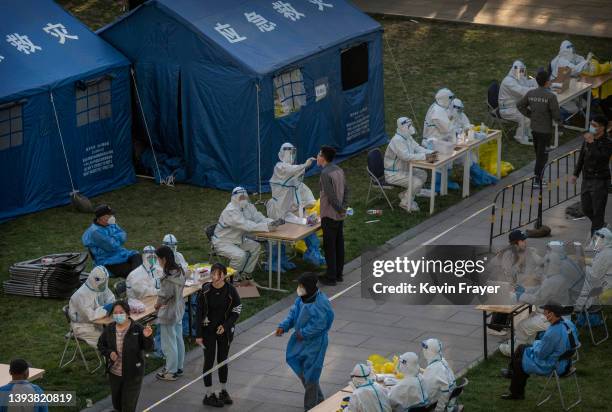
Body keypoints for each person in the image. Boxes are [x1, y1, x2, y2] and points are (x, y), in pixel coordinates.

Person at [500, 240, 585, 356]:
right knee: (530, 320)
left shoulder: (554, 280)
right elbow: (541, 290)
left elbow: (538, 299)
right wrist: (525, 290)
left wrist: (520, 295)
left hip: (555, 318)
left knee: (522, 326)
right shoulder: (558, 275)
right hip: (558, 314)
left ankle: (515, 352)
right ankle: (524, 346)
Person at [276, 272, 334, 411]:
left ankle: (310, 407)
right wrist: (283, 326)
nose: (299, 288)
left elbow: (320, 324)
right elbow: (293, 314)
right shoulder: (302, 298)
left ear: (308, 286)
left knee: (311, 376)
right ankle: (319, 400)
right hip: (301, 340)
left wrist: (304, 333)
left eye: (301, 285)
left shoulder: (321, 303)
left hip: (315, 343)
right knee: (303, 371)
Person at [500, 304, 579, 401]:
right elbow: (575, 342)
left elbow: (540, 355)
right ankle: (512, 373)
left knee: (519, 361)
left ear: (552, 313)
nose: (544, 314)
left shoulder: (552, 332)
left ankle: (516, 392)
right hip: (567, 362)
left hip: (554, 365)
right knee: (521, 349)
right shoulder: (569, 323)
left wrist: (536, 343)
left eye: (545, 312)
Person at [266, 143, 325, 269]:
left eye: (293, 153)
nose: (291, 156)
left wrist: (308, 214)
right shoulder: (279, 168)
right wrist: (305, 165)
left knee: (307, 227)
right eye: (289, 153)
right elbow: (288, 170)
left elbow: (307, 199)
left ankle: (311, 254)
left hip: (287, 212)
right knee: (277, 237)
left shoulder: (295, 182)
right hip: (277, 210)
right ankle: (274, 263)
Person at [195, 263, 242, 407]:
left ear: (224, 275)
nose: (215, 276)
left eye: (218, 274)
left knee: (223, 360)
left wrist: (226, 325)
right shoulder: (205, 291)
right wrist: (198, 335)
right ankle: (208, 394)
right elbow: (199, 314)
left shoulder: (230, 290)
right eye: (213, 273)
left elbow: (237, 309)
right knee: (208, 361)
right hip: (208, 332)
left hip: (224, 332)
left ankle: (223, 390)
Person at [97, 301, 154, 412]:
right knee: (117, 405)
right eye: (115, 313)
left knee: (128, 406)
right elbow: (101, 345)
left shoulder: (138, 328)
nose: (118, 315)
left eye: (121, 312)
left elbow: (149, 348)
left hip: (133, 374)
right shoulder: (109, 329)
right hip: (115, 374)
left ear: (128, 314)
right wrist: (110, 353)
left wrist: (148, 337)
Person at [213, 187, 279, 281]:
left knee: (255, 246)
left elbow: (258, 217)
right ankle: (231, 278)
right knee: (240, 255)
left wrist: (272, 222)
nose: (244, 200)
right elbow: (247, 226)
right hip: (223, 242)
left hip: (238, 239)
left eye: (245, 197)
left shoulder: (247, 206)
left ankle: (246, 273)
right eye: (241, 197)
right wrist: (266, 227)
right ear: (234, 198)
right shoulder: (230, 211)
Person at [517, 70, 561, 187]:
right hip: (545, 131)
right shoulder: (551, 96)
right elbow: (556, 114)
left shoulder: (531, 93)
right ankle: (538, 180)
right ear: (547, 82)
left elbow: (519, 105)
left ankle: (539, 177)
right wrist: (559, 121)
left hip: (534, 129)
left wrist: (530, 114)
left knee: (538, 153)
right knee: (543, 156)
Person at [384, 116, 436, 212]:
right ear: (403, 127)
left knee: (423, 174)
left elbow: (417, 147)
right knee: (417, 182)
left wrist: (431, 152)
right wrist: (425, 156)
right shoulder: (397, 140)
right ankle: (405, 203)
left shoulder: (407, 137)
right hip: (393, 174)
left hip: (404, 169)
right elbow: (406, 156)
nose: (411, 127)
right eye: (409, 125)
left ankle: (407, 194)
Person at [570, 116, 612, 235]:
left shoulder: (607, 143)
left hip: (600, 180)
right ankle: (601, 225)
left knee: (598, 210)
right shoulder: (588, 140)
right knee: (586, 208)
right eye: (591, 124)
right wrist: (575, 174)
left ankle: (596, 239)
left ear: (602, 128)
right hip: (587, 178)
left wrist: (592, 143)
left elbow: (601, 158)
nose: (592, 127)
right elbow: (582, 158)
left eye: (595, 125)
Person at [317, 146, 349, 286]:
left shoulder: (325, 174)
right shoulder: (339, 170)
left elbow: (330, 196)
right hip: (340, 215)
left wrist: (339, 209)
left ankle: (331, 276)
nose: (317, 157)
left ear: (323, 157)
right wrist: (344, 208)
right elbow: (346, 190)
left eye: (318, 154)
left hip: (329, 214)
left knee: (329, 246)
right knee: (338, 244)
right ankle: (338, 273)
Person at [82, 204, 141, 278]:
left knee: (137, 257)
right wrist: (117, 237)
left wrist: (112, 238)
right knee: (133, 271)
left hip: (120, 254)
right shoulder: (95, 232)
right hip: (108, 261)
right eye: (109, 215)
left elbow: (123, 235)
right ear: (102, 217)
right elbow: (111, 246)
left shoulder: (110, 224)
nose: (112, 217)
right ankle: (123, 286)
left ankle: (132, 282)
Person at [154, 245, 186, 381]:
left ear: (164, 259)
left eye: (158, 259)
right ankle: (178, 367)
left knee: (169, 342)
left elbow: (163, 296)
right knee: (178, 338)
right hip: (179, 308)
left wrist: (157, 305)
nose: (158, 262)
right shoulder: (180, 271)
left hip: (169, 312)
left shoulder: (168, 277)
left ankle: (171, 371)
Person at [423, 89, 461, 192]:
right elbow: (446, 128)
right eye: (450, 98)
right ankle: (436, 185)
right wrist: (453, 119)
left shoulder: (439, 107)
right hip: (432, 144)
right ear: (444, 99)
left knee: (447, 162)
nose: (451, 100)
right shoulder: (437, 111)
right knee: (439, 163)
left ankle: (444, 182)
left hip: (439, 141)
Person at [69, 266, 115, 347]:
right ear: (94, 280)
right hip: (83, 327)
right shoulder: (81, 295)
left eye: (105, 282)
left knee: (119, 334)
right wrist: (105, 309)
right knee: (107, 343)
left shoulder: (101, 287)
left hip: (100, 322)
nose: (103, 285)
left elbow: (110, 297)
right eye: (102, 283)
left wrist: (113, 305)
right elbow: (90, 316)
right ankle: (113, 357)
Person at [499, 60, 537, 145]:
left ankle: (529, 134)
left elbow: (526, 83)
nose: (522, 73)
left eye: (523, 71)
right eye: (520, 71)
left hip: (517, 105)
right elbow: (522, 91)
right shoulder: (508, 81)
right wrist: (536, 89)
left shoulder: (518, 78)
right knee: (524, 117)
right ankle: (520, 137)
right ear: (515, 70)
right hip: (507, 109)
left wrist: (535, 81)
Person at [421, 338, 456, 412]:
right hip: (447, 402)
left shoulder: (432, 370)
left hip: (434, 406)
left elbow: (425, 393)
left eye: (424, 349)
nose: (423, 351)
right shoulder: (443, 361)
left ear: (428, 352)